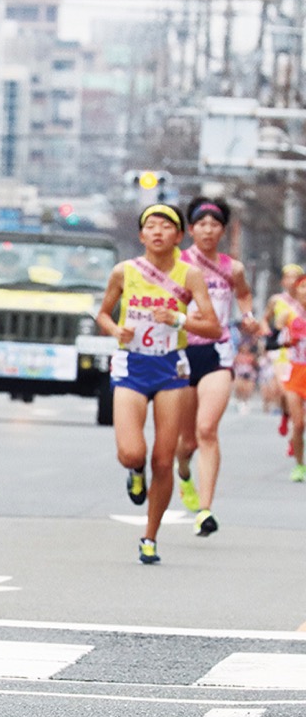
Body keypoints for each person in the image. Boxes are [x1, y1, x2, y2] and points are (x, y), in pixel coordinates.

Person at [95, 204, 221, 565]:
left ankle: (149, 537)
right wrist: (116, 329)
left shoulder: (190, 275)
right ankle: (135, 473)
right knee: (132, 453)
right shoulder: (124, 271)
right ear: (141, 235)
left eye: (166, 226)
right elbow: (103, 314)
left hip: (170, 369)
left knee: (164, 461)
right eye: (151, 226)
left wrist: (178, 319)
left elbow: (213, 327)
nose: (158, 232)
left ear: (179, 236)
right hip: (132, 367)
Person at [173, 197, 260, 537]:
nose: (208, 230)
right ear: (191, 229)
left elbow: (244, 295)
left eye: (215, 225)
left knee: (207, 430)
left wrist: (248, 316)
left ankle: (205, 510)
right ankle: (183, 472)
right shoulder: (177, 263)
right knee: (187, 443)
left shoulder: (232, 268)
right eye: (202, 224)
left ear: (223, 231)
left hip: (217, 352)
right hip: (182, 353)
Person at [262, 262, 304, 448]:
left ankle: (295, 431)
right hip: (282, 352)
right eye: (288, 277)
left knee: (295, 398)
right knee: (284, 390)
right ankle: (288, 416)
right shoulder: (277, 300)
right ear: (283, 281)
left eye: (296, 277)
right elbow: (265, 320)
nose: (292, 281)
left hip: (300, 353)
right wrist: (267, 333)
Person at [272, 272, 306, 482]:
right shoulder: (289, 314)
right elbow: (271, 342)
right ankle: (300, 465)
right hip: (295, 373)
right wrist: (286, 341)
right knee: (299, 424)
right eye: (302, 287)